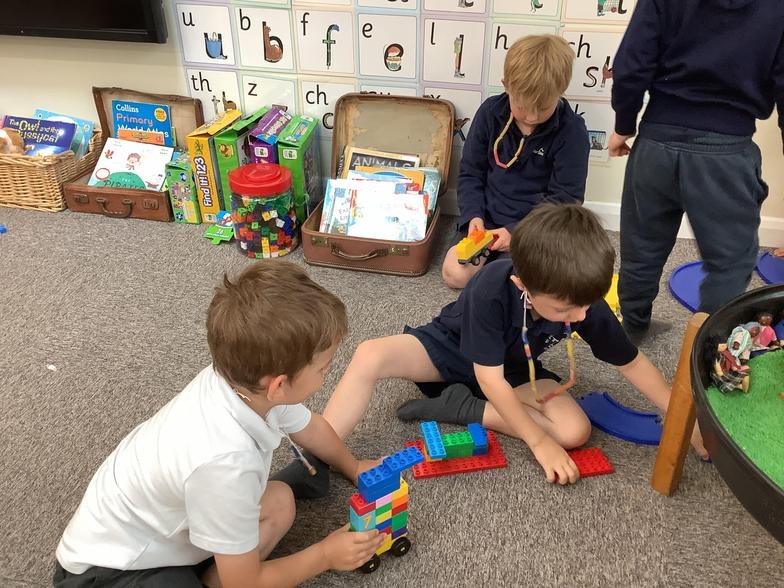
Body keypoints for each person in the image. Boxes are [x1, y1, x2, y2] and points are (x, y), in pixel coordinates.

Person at [296, 205, 704, 490]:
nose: (580, 316)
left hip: (514, 368)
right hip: (451, 350)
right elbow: (487, 379)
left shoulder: (581, 300)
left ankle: (461, 408)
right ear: (522, 283)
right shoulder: (491, 287)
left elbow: (630, 362)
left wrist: (683, 419)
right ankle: (319, 455)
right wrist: (538, 443)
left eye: (585, 306)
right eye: (565, 309)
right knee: (370, 353)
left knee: (575, 431)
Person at [53, 261, 384, 588]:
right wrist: (324, 555)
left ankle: (214, 575)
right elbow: (246, 583)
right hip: (109, 571)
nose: (328, 373)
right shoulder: (226, 463)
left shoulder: (244, 385)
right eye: (324, 369)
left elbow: (312, 429)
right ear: (279, 384)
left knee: (281, 501)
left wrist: (354, 466)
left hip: (168, 527)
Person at [608, 0, 783, 343]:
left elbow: (632, 62)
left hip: (656, 143)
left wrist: (624, 124)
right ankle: (706, 350)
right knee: (729, 263)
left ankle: (632, 328)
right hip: (726, 151)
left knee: (641, 246)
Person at [442, 35, 589, 289]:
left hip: (537, 228)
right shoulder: (490, 113)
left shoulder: (572, 131)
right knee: (454, 274)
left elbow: (566, 198)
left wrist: (516, 231)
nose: (531, 117)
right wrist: (473, 216)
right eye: (522, 106)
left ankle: (504, 273)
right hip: (486, 223)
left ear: (560, 92)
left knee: (527, 284)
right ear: (506, 86)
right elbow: (471, 173)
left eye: (543, 108)